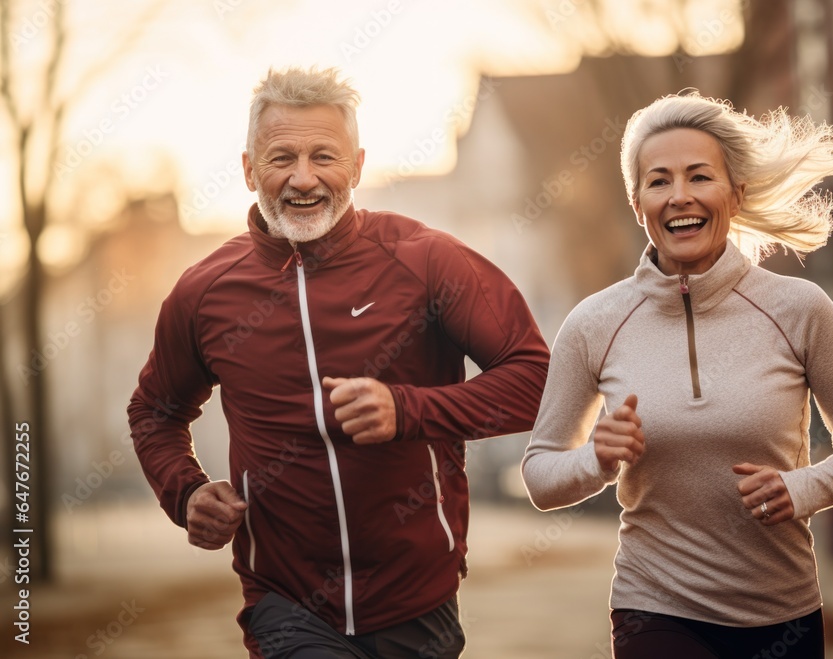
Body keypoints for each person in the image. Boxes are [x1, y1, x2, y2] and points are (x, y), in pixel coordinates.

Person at [128, 66, 549, 659]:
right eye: (281, 158)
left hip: (417, 597)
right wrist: (187, 492)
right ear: (250, 170)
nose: (304, 178)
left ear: (356, 165)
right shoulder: (204, 292)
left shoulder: (427, 261)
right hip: (285, 602)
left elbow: (534, 379)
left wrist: (407, 410)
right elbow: (155, 410)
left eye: (324, 156)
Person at [521, 91, 833, 658]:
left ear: (735, 193)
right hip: (655, 606)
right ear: (637, 201)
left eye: (700, 177)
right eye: (659, 181)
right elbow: (541, 476)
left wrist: (801, 487)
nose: (680, 197)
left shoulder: (800, 308)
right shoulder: (594, 324)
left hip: (782, 611)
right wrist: (595, 458)